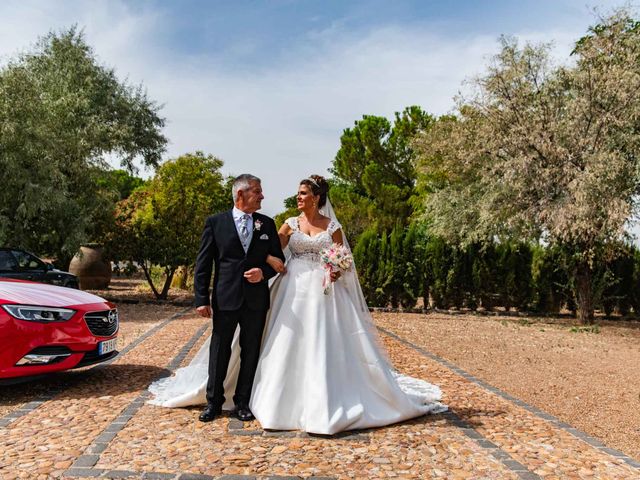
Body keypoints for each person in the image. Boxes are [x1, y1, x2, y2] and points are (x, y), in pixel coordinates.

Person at [149, 175, 446, 434]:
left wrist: (335, 268)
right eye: (298, 193)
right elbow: (268, 251)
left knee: (310, 342)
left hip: (323, 291)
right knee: (261, 342)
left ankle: (302, 398)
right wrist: (266, 262)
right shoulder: (287, 224)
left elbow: (343, 259)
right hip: (289, 288)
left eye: (303, 193)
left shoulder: (330, 227)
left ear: (316, 198)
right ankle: (231, 400)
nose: (297, 197)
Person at [191, 174, 285, 423]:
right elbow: (203, 264)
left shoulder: (267, 224)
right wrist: (201, 298)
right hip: (226, 297)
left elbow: (278, 260)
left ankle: (243, 402)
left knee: (251, 350)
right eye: (257, 191)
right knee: (219, 350)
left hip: (255, 300)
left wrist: (262, 273)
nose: (262, 196)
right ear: (240, 194)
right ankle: (213, 402)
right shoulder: (215, 223)